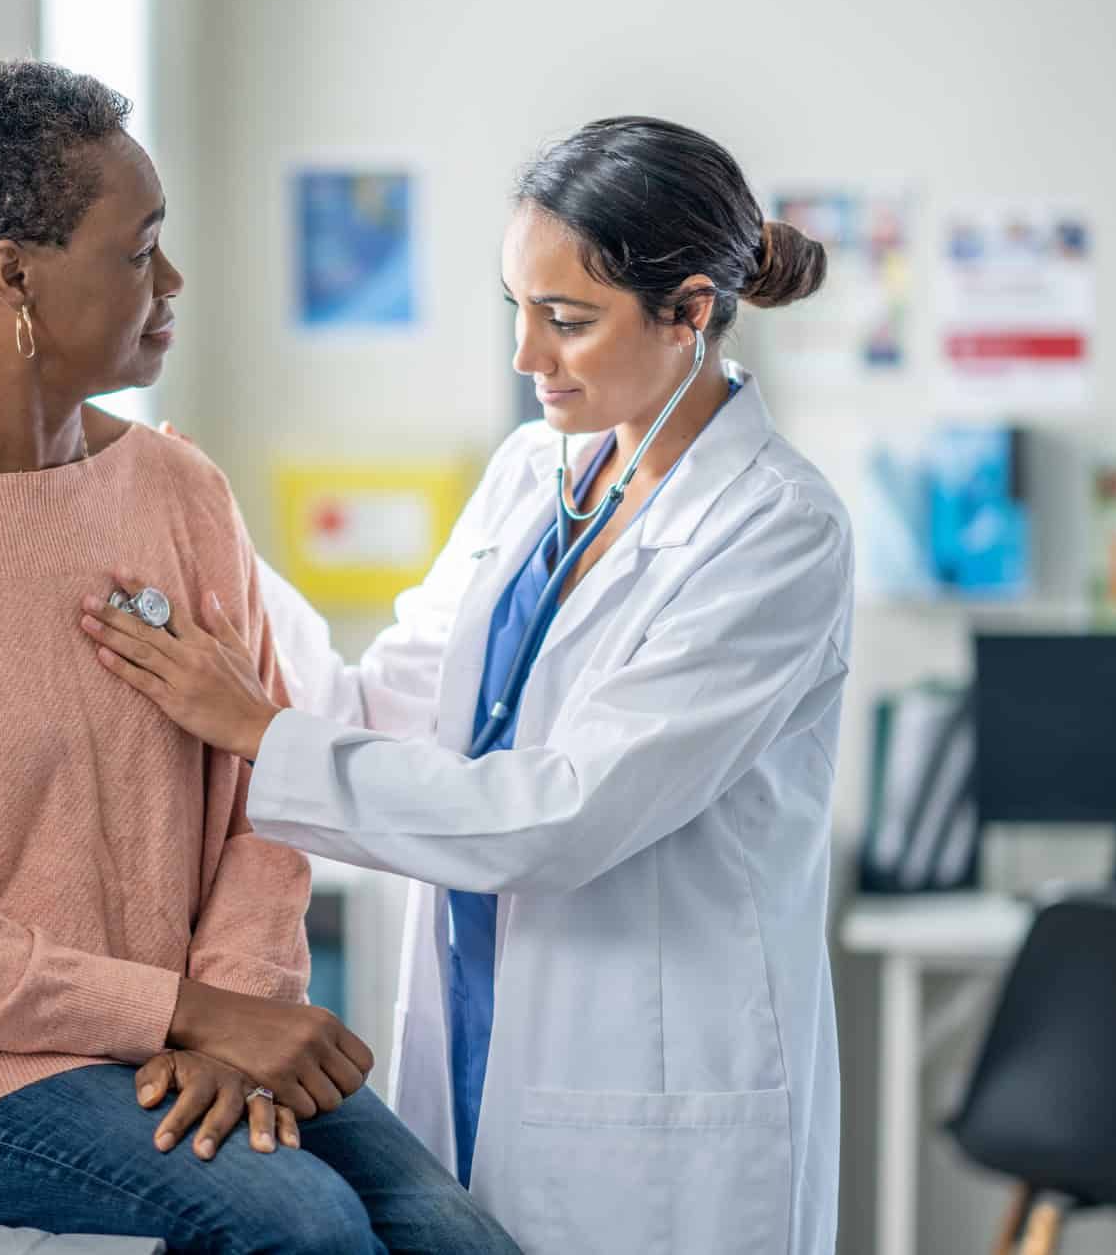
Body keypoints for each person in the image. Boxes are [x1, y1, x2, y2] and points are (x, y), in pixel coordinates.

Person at [0, 59, 517, 1254]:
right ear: (14, 275)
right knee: (299, 1224)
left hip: (184, 1034)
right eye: (137, 248)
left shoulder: (178, 490)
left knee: (453, 1235)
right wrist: (182, 1013)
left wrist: (235, 1012)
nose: (172, 281)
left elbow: (260, 797)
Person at [79, 117, 853, 1253]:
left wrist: (251, 725)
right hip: (479, 1044)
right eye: (519, 310)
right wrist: (217, 545)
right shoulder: (529, 476)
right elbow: (378, 711)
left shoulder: (777, 528)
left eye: (569, 320)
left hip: (655, 1090)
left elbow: (564, 813)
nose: (527, 359)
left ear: (691, 311)